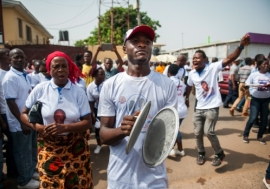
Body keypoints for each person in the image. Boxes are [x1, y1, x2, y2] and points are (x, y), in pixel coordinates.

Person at [98, 25, 177, 188]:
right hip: (120, 178)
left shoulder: (167, 85)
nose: (142, 45)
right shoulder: (110, 85)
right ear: (124, 48)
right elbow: (103, 135)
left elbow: (168, 133)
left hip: (155, 179)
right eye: (135, 41)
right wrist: (122, 130)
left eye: (147, 42)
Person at [20, 51, 93, 188]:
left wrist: (65, 128)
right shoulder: (40, 89)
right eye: (56, 66)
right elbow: (23, 113)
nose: (60, 70)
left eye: (64, 66)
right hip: (49, 146)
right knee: (50, 182)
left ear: (69, 68)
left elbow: (88, 122)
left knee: (77, 182)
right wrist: (38, 127)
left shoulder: (78, 92)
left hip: (75, 147)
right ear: (49, 70)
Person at [185, 34, 250, 166]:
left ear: (205, 60)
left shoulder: (212, 67)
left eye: (197, 58)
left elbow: (229, 58)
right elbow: (189, 86)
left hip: (212, 107)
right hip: (199, 108)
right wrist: (186, 98)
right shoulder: (191, 73)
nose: (195, 60)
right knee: (197, 133)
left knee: (208, 131)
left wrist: (241, 46)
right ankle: (201, 153)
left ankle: (219, 152)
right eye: (193, 58)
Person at [2, 48, 39, 188]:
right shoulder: (10, 78)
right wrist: (22, 122)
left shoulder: (24, 75)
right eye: (15, 57)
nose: (19, 60)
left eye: (21, 57)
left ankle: (29, 173)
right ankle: (24, 181)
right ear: (10, 60)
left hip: (28, 121)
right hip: (19, 124)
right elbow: (10, 103)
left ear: (25, 59)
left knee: (30, 149)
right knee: (22, 152)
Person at [0, 48, 18, 180]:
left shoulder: (13, 73)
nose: (9, 56)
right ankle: (11, 173)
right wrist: (1, 121)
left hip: (13, 114)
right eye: (7, 55)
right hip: (4, 114)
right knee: (11, 145)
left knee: (15, 145)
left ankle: (15, 170)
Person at [242, 58, 270, 145]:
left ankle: (260, 136)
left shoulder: (269, 75)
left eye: (267, 64)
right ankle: (245, 135)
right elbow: (246, 85)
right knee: (253, 117)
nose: (266, 65)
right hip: (255, 99)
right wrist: (246, 87)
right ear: (259, 66)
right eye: (264, 64)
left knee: (264, 119)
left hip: (266, 99)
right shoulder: (254, 75)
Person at [168, 64, 186, 157]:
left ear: (168, 72)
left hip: (174, 110)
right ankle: (175, 149)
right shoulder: (181, 83)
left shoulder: (167, 82)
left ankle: (180, 150)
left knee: (174, 130)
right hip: (182, 109)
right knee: (175, 129)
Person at [87, 66, 105, 154]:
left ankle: (113, 144)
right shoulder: (90, 87)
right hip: (97, 109)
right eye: (101, 74)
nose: (104, 76)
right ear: (95, 75)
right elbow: (91, 102)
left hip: (109, 109)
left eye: (104, 74)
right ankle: (99, 145)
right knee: (97, 127)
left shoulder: (107, 84)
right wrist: (92, 115)